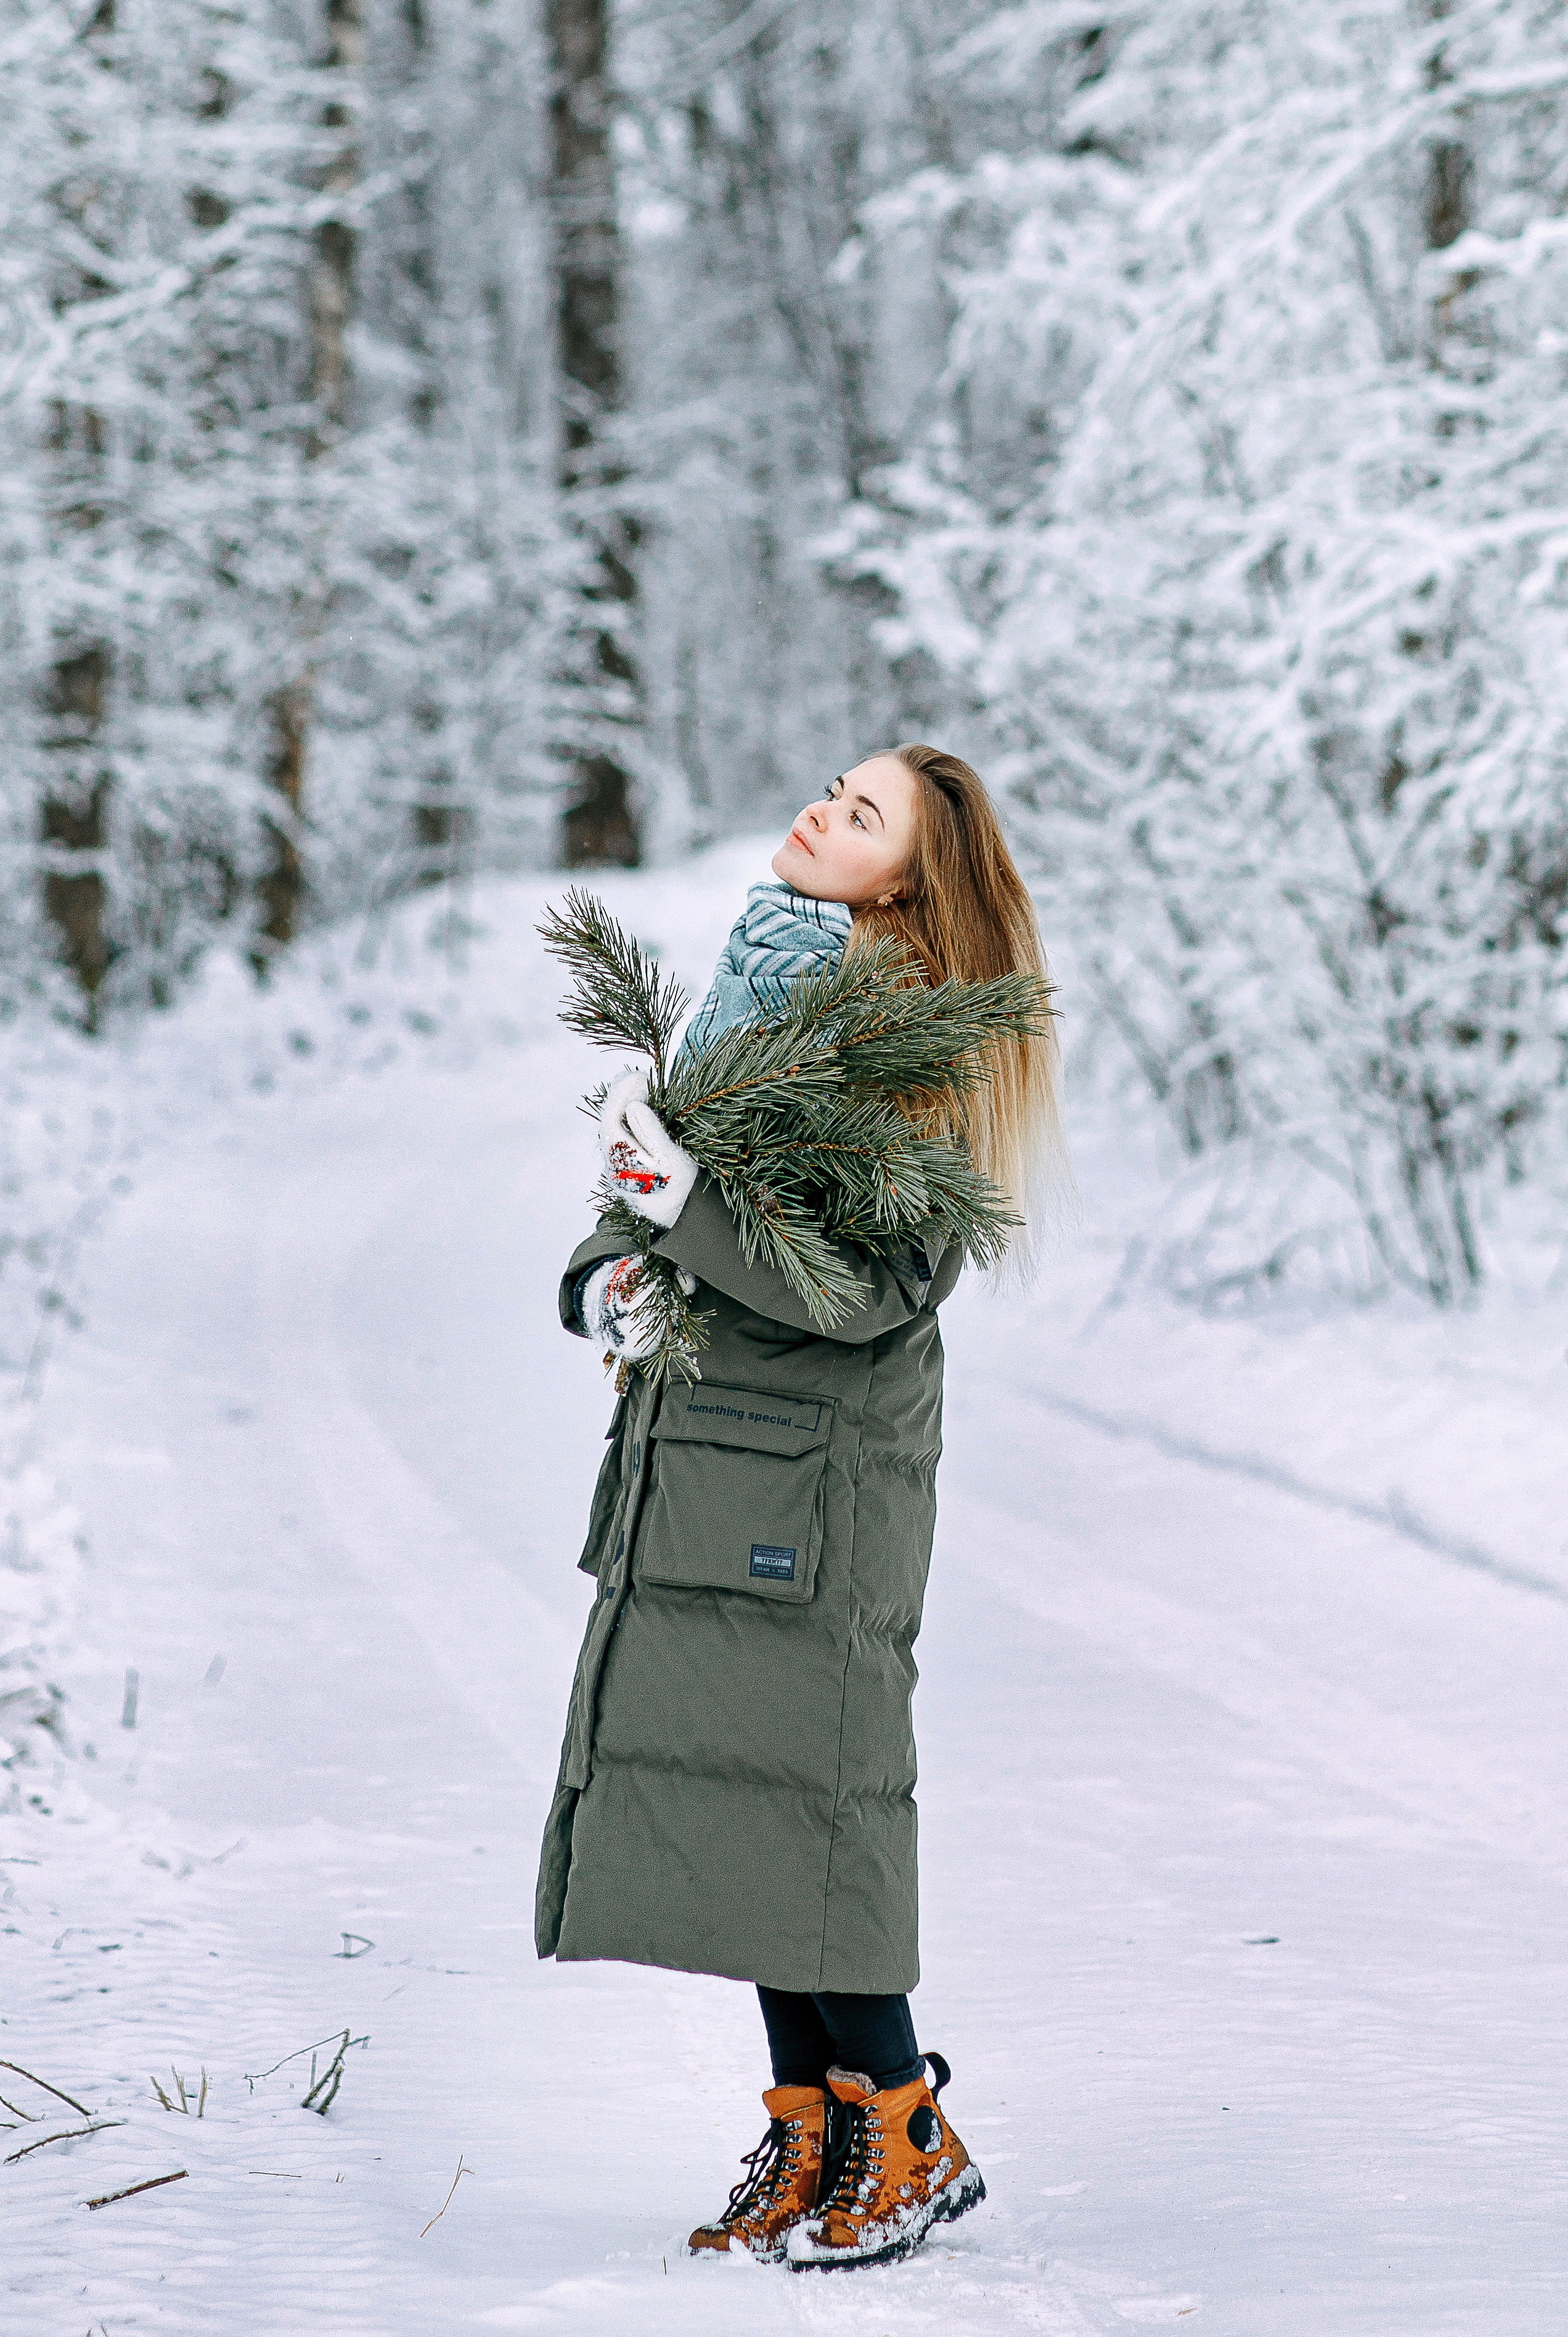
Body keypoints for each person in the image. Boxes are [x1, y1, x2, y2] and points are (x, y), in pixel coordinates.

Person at [536, 743, 1068, 2270]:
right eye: (832, 790)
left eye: (861, 814)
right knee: (751, 1798)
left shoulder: (916, 1033)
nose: (820, 813)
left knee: (821, 1789)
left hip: (822, 1466)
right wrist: (611, 1268)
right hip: (708, 1437)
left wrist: (675, 1211)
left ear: (906, 879)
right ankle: (820, 2127)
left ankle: (903, 2131)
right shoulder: (760, 980)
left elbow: (879, 1281)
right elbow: (662, 1177)